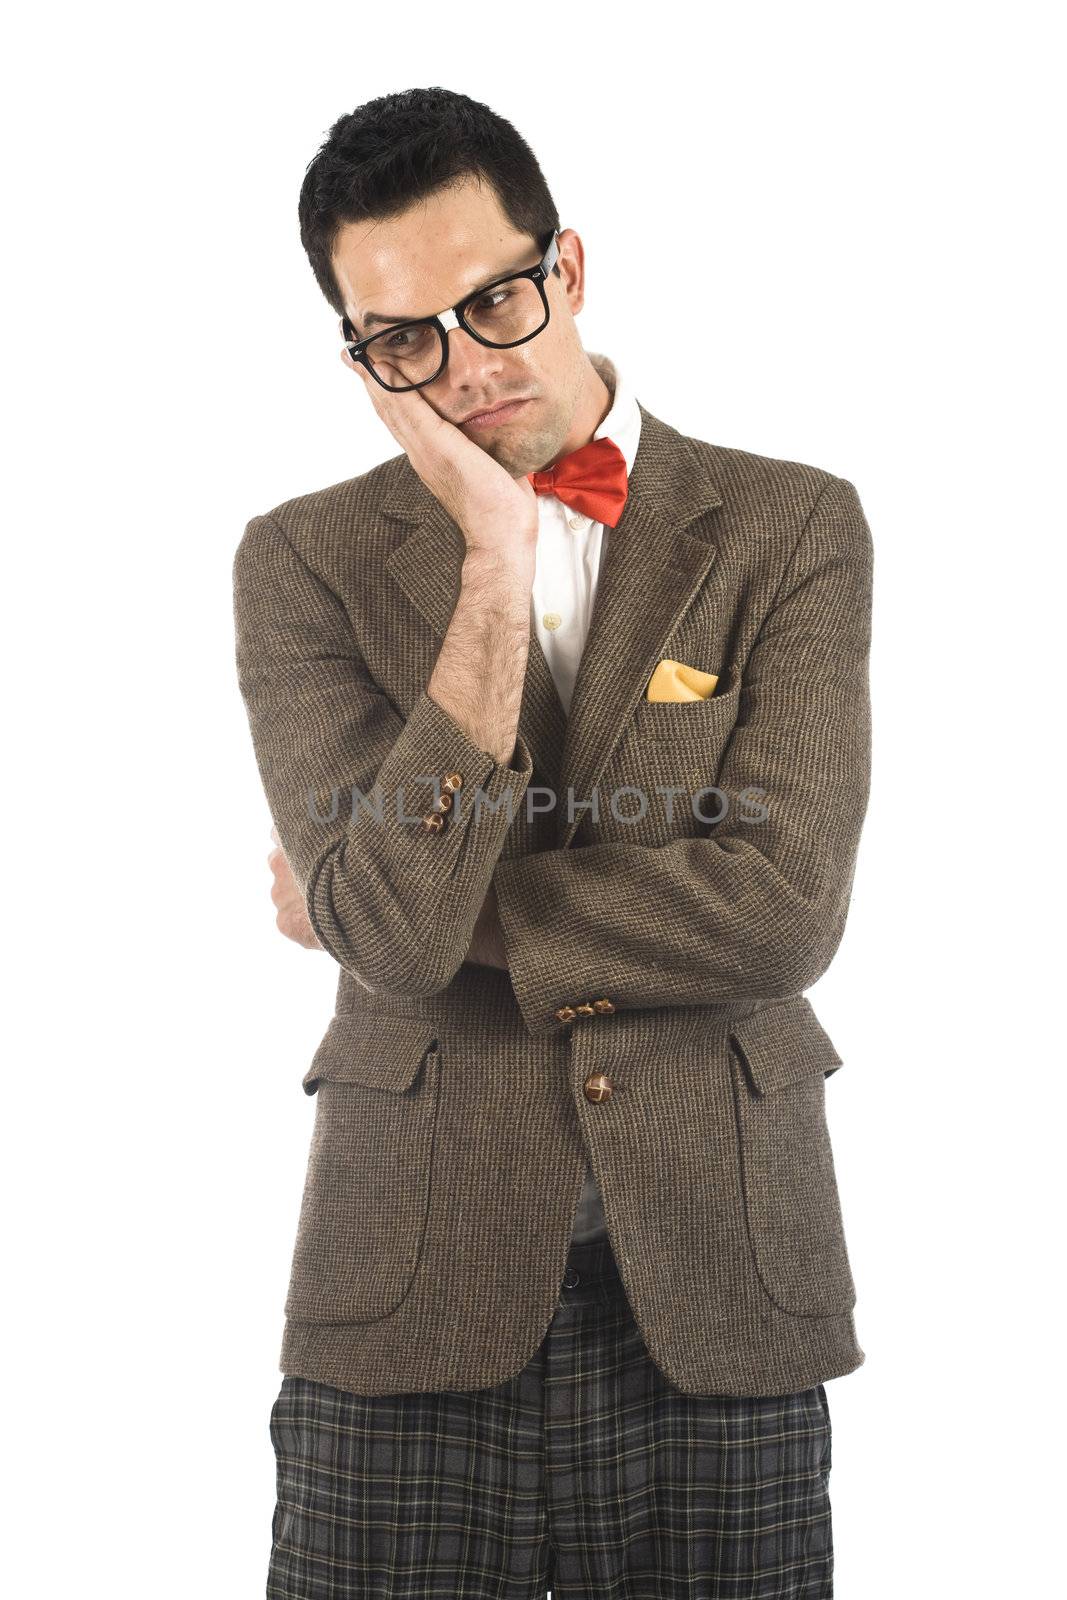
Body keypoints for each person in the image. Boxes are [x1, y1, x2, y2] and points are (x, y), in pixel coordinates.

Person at [233, 85, 873, 1600]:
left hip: (721, 1275)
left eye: (495, 303)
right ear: (360, 357)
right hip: (410, 1273)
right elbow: (389, 933)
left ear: (566, 269)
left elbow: (783, 910)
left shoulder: (792, 528)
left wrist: (392, 905)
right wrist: (489, 571)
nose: (462, 367)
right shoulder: (301, 562)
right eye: (404, 339)